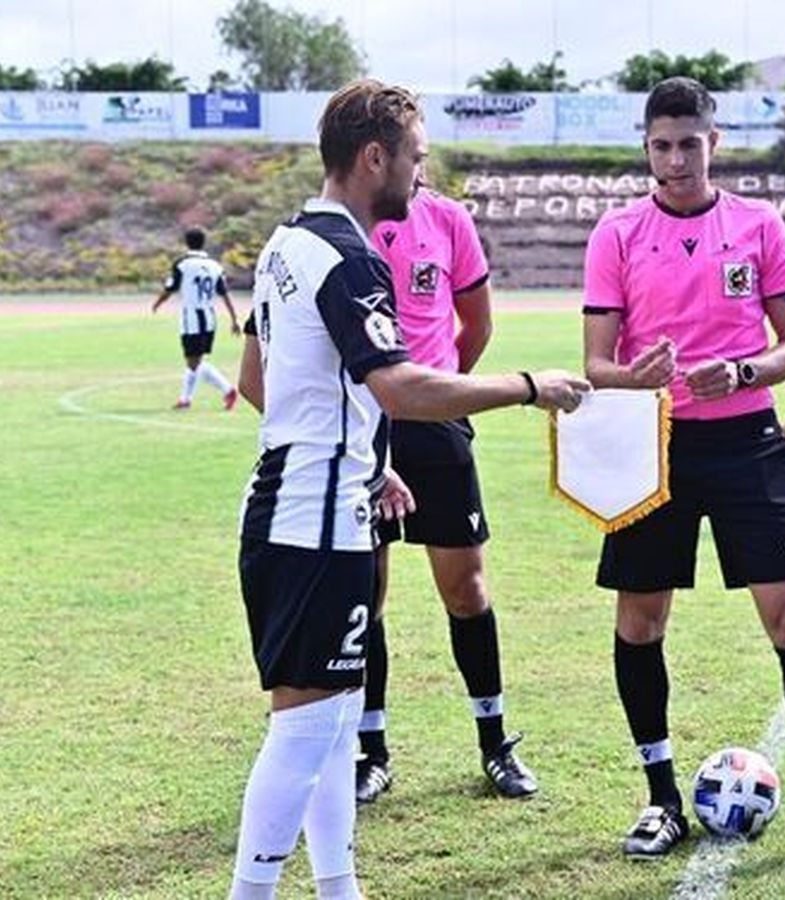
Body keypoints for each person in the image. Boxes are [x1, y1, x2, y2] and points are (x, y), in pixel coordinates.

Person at [228, 79, 588, 900]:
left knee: (332, 723)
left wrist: (368, 458)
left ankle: (338, 886)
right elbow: (400, 388)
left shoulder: (286, 242)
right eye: (416, 160)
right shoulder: (350, 256)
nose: (421, 179)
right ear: (374, 157)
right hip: (311, 523)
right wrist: (528, 386)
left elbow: (279, 382)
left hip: (316, 501)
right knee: (304, 730)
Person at [581, 76, 785, 873]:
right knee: (640, 622)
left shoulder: (759, 225)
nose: (675, 160)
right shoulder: (618, 234)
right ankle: (660, 798)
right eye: (661, 145)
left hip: (746, 439)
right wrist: (635, 374)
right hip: (654, 444)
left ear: (715, 142)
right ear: (646, 146)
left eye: (689, 143)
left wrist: (741, 372)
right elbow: (596, 364)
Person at [355, 182, 536, 804]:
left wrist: (439, 390)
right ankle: (369, 751)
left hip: (436, 426)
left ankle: (494, 743)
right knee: (365, 593)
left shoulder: (447, 219)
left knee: (467, 589)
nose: (417, 168)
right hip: (362, 427)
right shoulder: (343, 221)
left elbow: (477, 321)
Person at [152, 227, 240, 410]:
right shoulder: (215, 266)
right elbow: (224, 294)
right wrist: (234, 319)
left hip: (192, 320)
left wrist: (157, 303)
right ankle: (192, 398)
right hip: (209, 318)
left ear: (186, 242)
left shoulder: (182, 264)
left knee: (194, 361)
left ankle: (223, 391)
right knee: (195, 361)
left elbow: (170, 288)